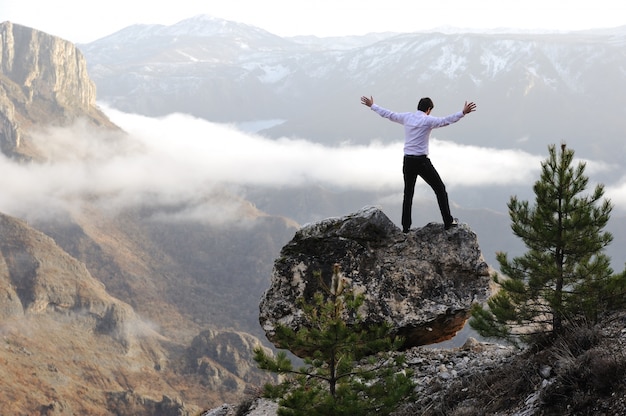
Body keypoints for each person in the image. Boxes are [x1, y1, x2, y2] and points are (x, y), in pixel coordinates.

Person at [360, 95, 476, 233]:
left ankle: (405, 227)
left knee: (408, 193)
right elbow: (446, 121)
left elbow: (389, 114)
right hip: (422, 161)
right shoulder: (428, 120)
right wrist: (462, 113)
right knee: (440, 189)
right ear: (428, 110)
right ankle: (448, 221)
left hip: (407, 161)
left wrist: (373, 106)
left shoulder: (407, 117)